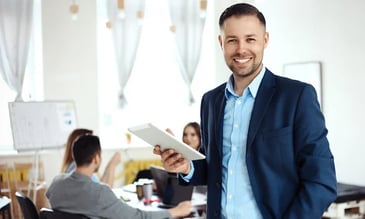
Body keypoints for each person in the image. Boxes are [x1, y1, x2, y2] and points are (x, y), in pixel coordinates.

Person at [154, 3, 337, 219]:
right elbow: (215, 168)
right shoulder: (210, 101)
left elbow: (322, 181)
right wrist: (187, 167)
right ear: (221, 42)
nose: (241, 49)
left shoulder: (297, 97)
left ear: (265, 40)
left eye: (250, 39)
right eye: (232, 40)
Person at [46, 134, 191, 219]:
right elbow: (138, 217)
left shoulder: (56, 183)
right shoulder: (100, 193)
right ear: (96, 158)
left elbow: (52, 196)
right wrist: (175, 211)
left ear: (73, 156)